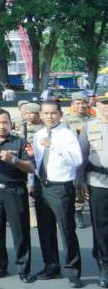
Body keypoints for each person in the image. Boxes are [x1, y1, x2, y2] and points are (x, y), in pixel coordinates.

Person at [33, 100, 84, 287]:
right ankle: (51, 266)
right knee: (45, 230)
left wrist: (53, 145)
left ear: (60, 114)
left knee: (67, 229)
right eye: (45, 113)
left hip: (61, 187)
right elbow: (38, 162)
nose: (49, 116)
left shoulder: (67, 135)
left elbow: (77, 159)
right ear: (41, 114)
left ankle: (73, 270)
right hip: (41, 185)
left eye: (53, 113)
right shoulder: (38, 134)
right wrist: (33, 183)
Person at [0, 108, 36, 282]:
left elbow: (31, 167)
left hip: (15, 190)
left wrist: (14, 160)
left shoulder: (21, 142)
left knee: (20, 232)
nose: (1, 126)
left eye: (5, 122)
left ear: (10, 123)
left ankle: (23, 268)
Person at [79, 92, 108, 288]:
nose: (107, 107)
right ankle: (104, 266)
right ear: (97, 105)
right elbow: (81, 157)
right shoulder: (90, 127)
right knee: (101, 227)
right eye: (104, 103)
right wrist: (80, 183)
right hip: (98, 183)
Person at [65, 92, 93, 228]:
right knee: (78, 186)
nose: (81, 105)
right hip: (75, 158)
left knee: (93, 185)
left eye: (83, 103)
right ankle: (78, 212)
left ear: (88, 104)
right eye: (78, 103)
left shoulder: (93, 119)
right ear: (73, 104)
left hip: (91, 157)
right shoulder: (66, 120)